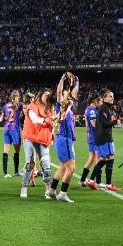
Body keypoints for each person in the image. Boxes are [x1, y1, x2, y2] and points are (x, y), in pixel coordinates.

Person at [48, 73, 78, 203]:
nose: (68, 93)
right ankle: (63, 193)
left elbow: (74, 93)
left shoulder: (69, 108)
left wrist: (76, 82)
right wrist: (61, 79)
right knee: (71, 168)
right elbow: (59, 91)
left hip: (65, 140)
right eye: (66, 93)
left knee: (63, 167)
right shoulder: (62, 106)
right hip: (64, 139)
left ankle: (52, 190)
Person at [19, 89, 55, 198]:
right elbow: (35, 120)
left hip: (43, 137)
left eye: (49, 95)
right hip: (30, 136)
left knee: (45, 163)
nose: (48, 97)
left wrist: (53, 126)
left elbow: (53, 122)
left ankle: (48, 190)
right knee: (30, 163)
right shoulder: (32, 106)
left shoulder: (50, 108)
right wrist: (46, 120)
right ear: (40, 95)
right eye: (46, 95)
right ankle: (24, 187)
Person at [90, 90, 121, 192]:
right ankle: (108, 184)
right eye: (110, 96)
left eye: (113, 96)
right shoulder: (104, 108)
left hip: (100, 137)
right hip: (105, 137)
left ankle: (91, 180)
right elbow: (104, 124)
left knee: (103, 159)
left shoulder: (105, 108)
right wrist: (114, 122)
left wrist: (112, 122)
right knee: (110, 157)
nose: (112, 98)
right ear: (104, 98)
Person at [0, 90, 22, 179]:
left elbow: (1, 119)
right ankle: (16, 171)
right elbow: (22, 116)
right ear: (18, 96)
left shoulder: (5, 106)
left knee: (5, 151)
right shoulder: (20, 105)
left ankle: (5, 173)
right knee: (17, 151)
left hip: (6, 129)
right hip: (15, 129)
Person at [79, 92, 99, 188]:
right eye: (99, 100)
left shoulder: (89, 109)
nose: (101, 102)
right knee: (98, 159)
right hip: (95, 137)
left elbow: (87, 125)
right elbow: (94, 124)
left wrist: (88, 134)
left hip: (91, 136)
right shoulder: (92, 110)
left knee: (91, 159)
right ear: (95, 101)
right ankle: (95, 181)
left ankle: (82, 180)